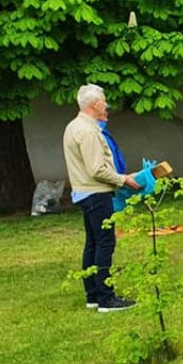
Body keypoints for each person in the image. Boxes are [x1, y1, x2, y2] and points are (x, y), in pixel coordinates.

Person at [62, 84, 141, 312]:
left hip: (84, 193)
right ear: (95, 104)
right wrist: (123, 179)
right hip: (96, 192)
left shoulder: (72, 127)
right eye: (104, 101)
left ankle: (93, 295)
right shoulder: (88, 131)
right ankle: (106, 298)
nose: (106, 105)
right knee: (105, 242)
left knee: (93, 243)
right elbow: (97, 169)